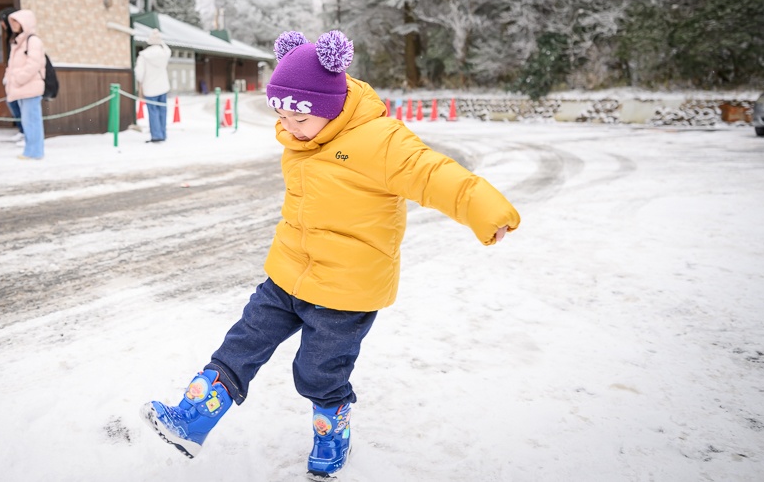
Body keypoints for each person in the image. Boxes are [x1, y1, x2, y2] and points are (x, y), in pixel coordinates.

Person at [141, 30, 521, 477]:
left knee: (319, 371)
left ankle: (331, 433)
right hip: (288, 273)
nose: (288, 128)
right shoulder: (302, 138)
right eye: (281, 116)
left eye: (299, 118)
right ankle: (192, 420)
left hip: (346, 289)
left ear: (331, 105)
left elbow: (434, 174)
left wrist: (486, 210)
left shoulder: (380, 141)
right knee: (241, 343)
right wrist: (298, 126)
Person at [3, 9, 45, 160]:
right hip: (21, 87)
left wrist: (18, 79)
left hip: (29, 87)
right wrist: (9, 79)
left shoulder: (32, 41)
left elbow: (34, 64)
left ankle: (35, 152)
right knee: (27, 121)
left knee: (32, 120)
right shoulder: (19, 41)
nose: (13, 24)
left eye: (16, 21)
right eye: (12, 21)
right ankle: (30, 150)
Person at [135, 28, 171, 143]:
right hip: (163, 86)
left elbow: (139, 73)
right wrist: (160, 40)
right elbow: (168, 50)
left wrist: (140, 83)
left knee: (153, 112)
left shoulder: (143, 55)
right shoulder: (164, 53)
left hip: (150, 88)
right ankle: (163, 134)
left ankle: (156, 135)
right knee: (162, 111)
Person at [0, 7, 24, 143]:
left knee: (20, 106)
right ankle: (22, 130)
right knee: (12, 103)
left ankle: (25, 132)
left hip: (21, 79)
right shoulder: (11, 37)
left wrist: (18, 77)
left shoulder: (23, 38)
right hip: (12, 78)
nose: (2, 24)